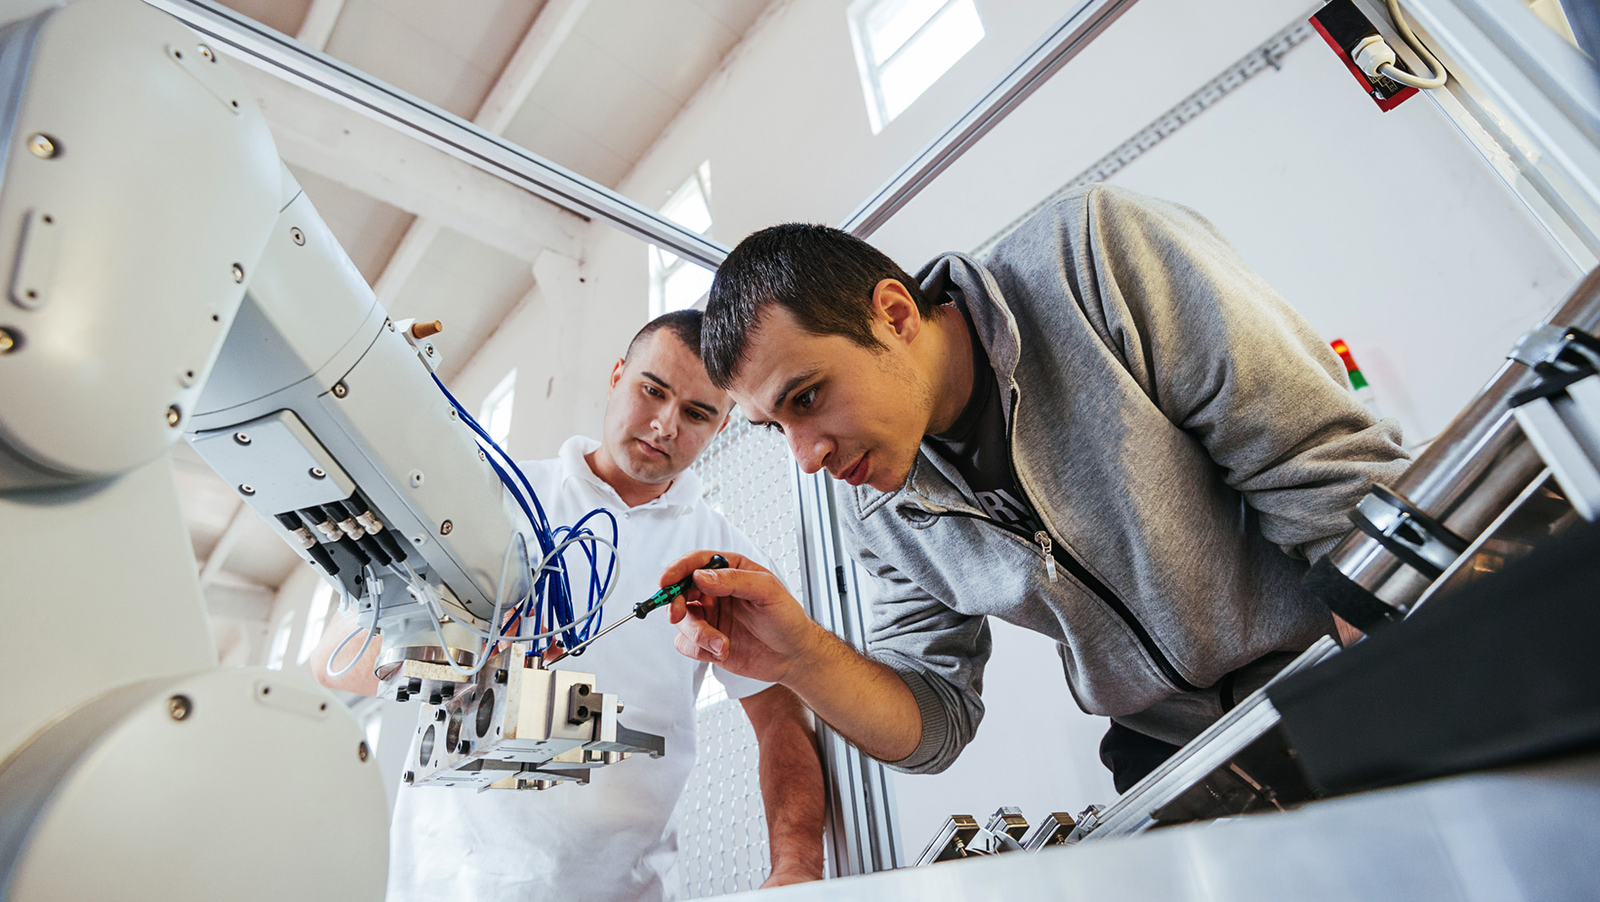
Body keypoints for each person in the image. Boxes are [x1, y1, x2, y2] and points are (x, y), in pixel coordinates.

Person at [659, 184, 1411, 793]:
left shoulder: (1093, 258)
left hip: (1338, 664)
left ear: (892, 315)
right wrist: (800, 659)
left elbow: (1321, 473)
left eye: (808, 397)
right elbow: (935, 717)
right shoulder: (876, 506)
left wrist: (1387, 704)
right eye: (772, 428)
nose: (807, 458)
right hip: (1174, 753)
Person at [312, 310, 825, 900]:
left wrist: (798, 869)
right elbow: (332, 659)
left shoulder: (724, 559)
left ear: (723, 422)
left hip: (622, 889)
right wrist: (451, 659)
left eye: (697, 412)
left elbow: (781, 719)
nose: (663, 425)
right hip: (451, 879)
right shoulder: (492, 500)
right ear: (616, 375)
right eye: (652, 390)